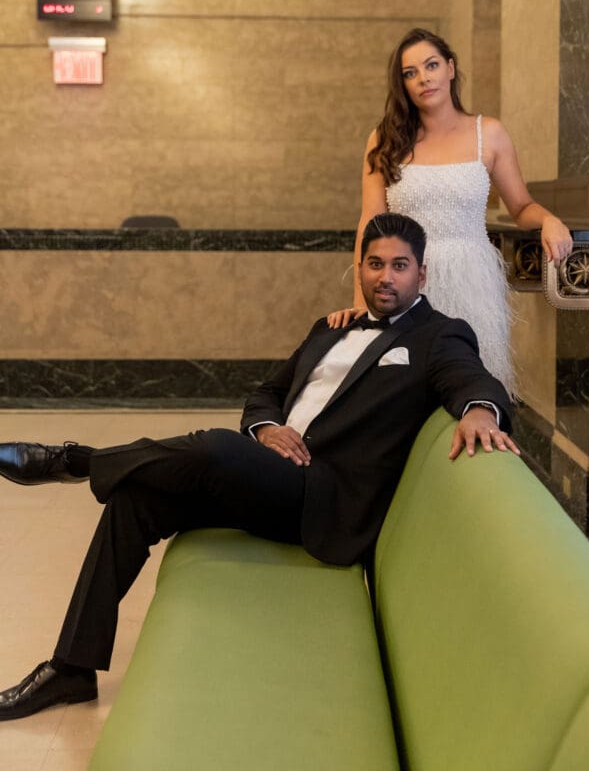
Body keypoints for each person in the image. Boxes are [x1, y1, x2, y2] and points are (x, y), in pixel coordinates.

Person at [0, 212, 517, 722]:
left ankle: (75, 461)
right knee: (135, 497)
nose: (386, 276)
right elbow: (266, 393)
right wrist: (266, 429)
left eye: (400, 265)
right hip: (270, 476)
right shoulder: (330, 327)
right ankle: (71, 669)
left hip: (322, 497)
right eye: (376, 264)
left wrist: (477, 409)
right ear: (359, 269)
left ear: (421, 274)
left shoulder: (438, 336)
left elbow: (473, 379)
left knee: (216, 449)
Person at [328, 27, 573, 396]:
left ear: (451, 69)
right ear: (403, 85)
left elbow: (521, 207)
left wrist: (550, 220)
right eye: (410, 73)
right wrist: (363, 303)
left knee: (472, 386)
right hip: (405, 278)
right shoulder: (384, 139)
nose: (423, 78)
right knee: (404, 393)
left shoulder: (488, 134)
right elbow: (371, 223)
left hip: (471, 279)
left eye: (431, 65)